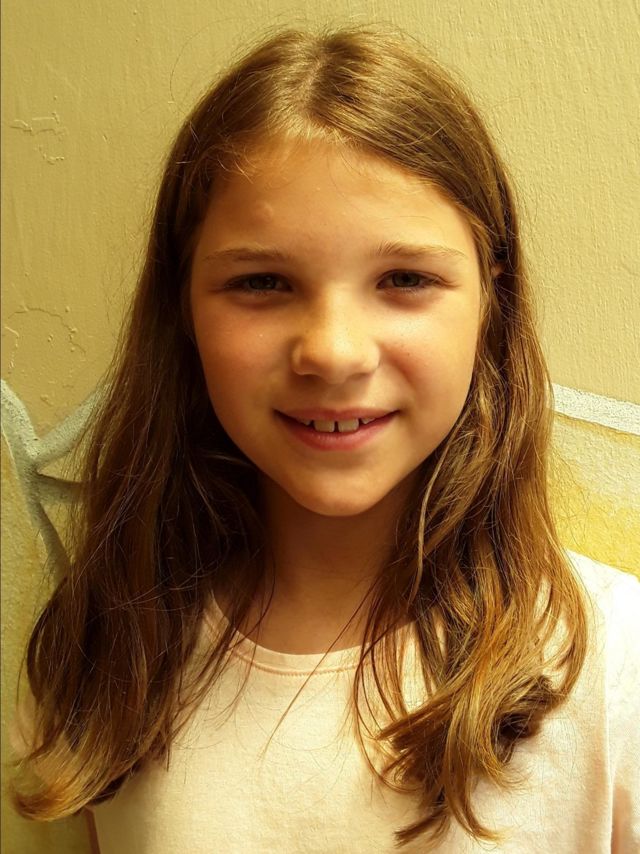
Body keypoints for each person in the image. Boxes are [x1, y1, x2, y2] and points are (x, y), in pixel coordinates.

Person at [7, 23, 639, 854]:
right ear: (183, 311)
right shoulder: (99, 660)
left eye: (405, 279)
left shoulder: (617, 674)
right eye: (263, 282)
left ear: (492, 303)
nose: (335, 352)